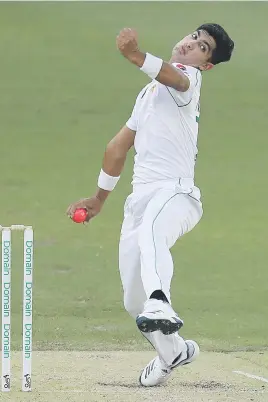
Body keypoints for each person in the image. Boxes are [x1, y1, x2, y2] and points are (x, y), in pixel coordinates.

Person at [67, 23, 234, 387]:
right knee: (132, 298)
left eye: (203, 47)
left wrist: (134, 56)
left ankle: (162, 299)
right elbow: (117, 147)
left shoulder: (188, 82)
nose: (192, 44)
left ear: (206, 64)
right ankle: (173, 351)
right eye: (194, 37)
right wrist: (98, 198)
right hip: (139, 201)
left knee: (155, 232)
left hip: (177, 195)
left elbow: (173, 77)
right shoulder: (148, 94)